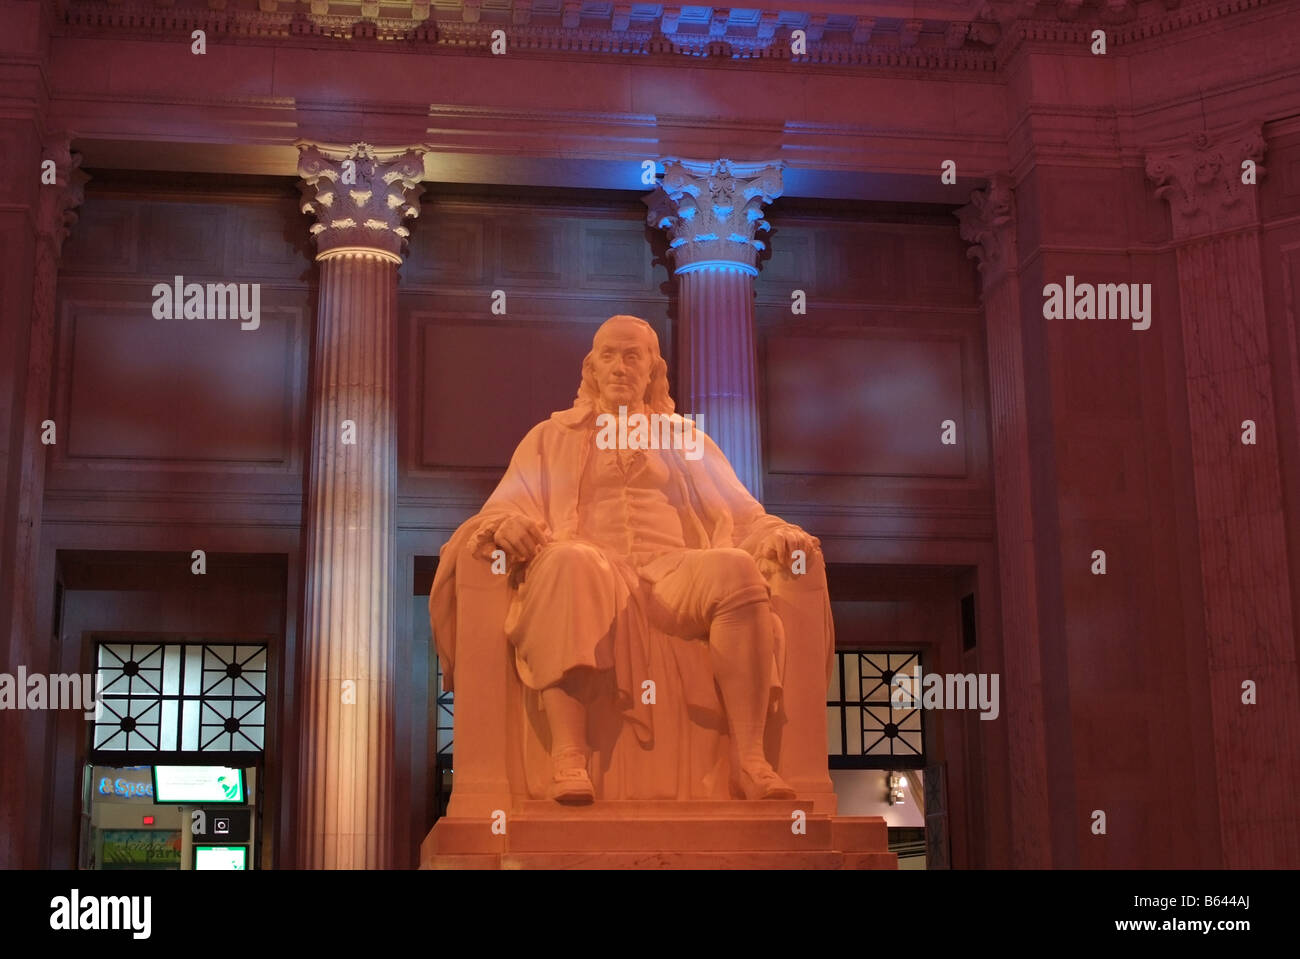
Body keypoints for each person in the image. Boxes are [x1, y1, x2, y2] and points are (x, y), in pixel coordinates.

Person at [445, 314, 819, 803]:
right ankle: (568, 758)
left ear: (652, 371)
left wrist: (777, 532)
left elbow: (745, 514)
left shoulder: (684, 439)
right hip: (592, 569)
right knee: (567, 563)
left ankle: (749, 759)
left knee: (736, 568)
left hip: (672, 570)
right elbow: (498, 514)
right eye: (608, 356)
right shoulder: (550, 437)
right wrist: (504, 525)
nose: (620, 367)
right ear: (591, 368)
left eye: (632, 356)